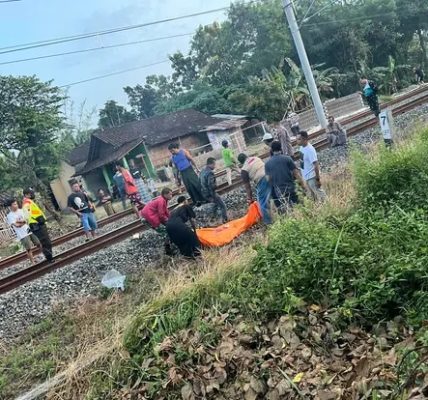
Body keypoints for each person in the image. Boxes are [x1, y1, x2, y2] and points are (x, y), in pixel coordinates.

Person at [265, 141, 307, 213]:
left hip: (280, 192)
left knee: (287, 211)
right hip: (291, 188)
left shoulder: (267, 164)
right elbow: (296, 174)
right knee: (300, 207)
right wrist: (303, 186)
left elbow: (268, 180)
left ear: (272, 150)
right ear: (281, 148)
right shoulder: (287, 159)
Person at [237, 153, 272, 224]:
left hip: (262, 180)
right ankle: (283, 213)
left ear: (241, 163)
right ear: (247, 156)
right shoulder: (256, 158)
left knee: (262, 202)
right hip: (271, 174)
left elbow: (248, 188)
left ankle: (268, 222)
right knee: (274, 195)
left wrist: (250, 199)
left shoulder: (244, 170)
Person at [7, 199, 42, 264]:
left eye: (16, 203)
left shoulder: (21, 211)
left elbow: (27, 219)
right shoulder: (10, 216)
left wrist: (20, 221)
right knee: (28, 249)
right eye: (14, 204)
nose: (16, 205)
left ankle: (45, 254)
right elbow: (17, 225)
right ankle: (32, 262)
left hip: (30, 230)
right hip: (22, 234)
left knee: (38, 243)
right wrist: (24, 221)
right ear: (10, 206)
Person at [22, 188, 53, 262]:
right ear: (26, 195)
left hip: (39, 224)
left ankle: (50, 257)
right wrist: (36, 222)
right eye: (31, 193)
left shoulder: (29, 202)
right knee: (45, 242)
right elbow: (27, 216)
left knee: (46, 241)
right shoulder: (27, 203)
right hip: (37, 225)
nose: (33, 194)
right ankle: (49, 258)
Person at [140, 187, 173, 254]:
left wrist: (170, 219)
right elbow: (161, 215)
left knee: (167, 228)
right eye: (170, 194)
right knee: (165, 232)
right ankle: (168, 250)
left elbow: (165, 211)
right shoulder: (161, 201)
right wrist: (167, 221)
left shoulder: (163, 199)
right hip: (149, 218)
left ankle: (170, 244)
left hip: (148, 216)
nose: (171, 196)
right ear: (165, 194)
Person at [297, 131, 327, 202]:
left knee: (320, 193)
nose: (297, 141)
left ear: (304, 139)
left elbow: (316, 164)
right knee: (313, 197)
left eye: (299, 139)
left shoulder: (310, 150)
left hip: (312, 177)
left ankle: (329, 206)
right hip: (306, 176)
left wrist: (317, 179)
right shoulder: (301, 148)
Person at [200, 157, 228, 223]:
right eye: (214, 164)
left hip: (204, 193)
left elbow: (200, 182)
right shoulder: (210, 173)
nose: (215, 166)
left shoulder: (202, 171)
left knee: (216, 204)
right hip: (210, 193)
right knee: (223, 206)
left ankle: (212, 219)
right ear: (211, 164)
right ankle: (225, 220)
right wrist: (214, 192)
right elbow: (211, 185)